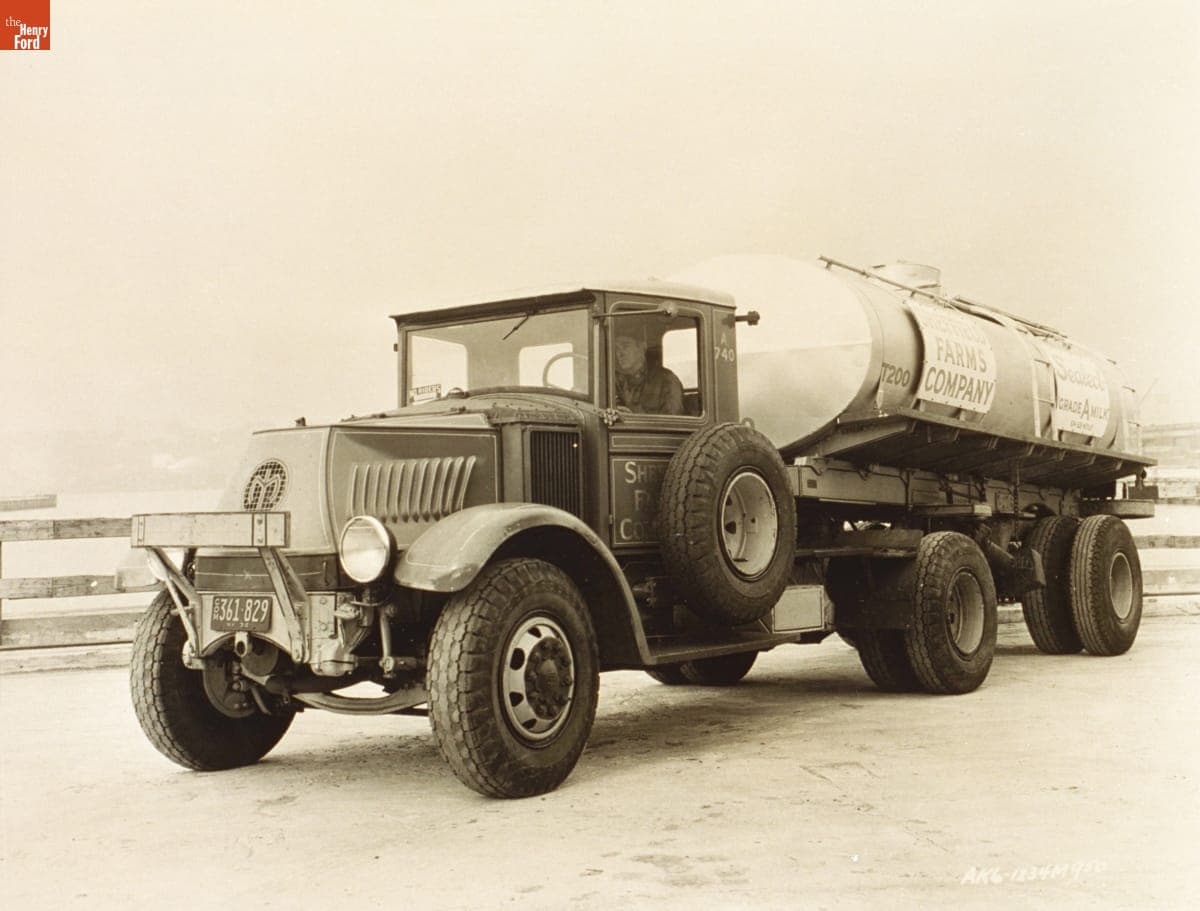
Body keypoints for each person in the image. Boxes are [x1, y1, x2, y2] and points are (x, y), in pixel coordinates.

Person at [613, 329, 684, 415]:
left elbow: (673, 423)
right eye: (616, 348)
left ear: (642, 346)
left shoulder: (667, 381)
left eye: (625, 346)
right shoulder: (617, 382)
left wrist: (635, 418)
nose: (620, 354)